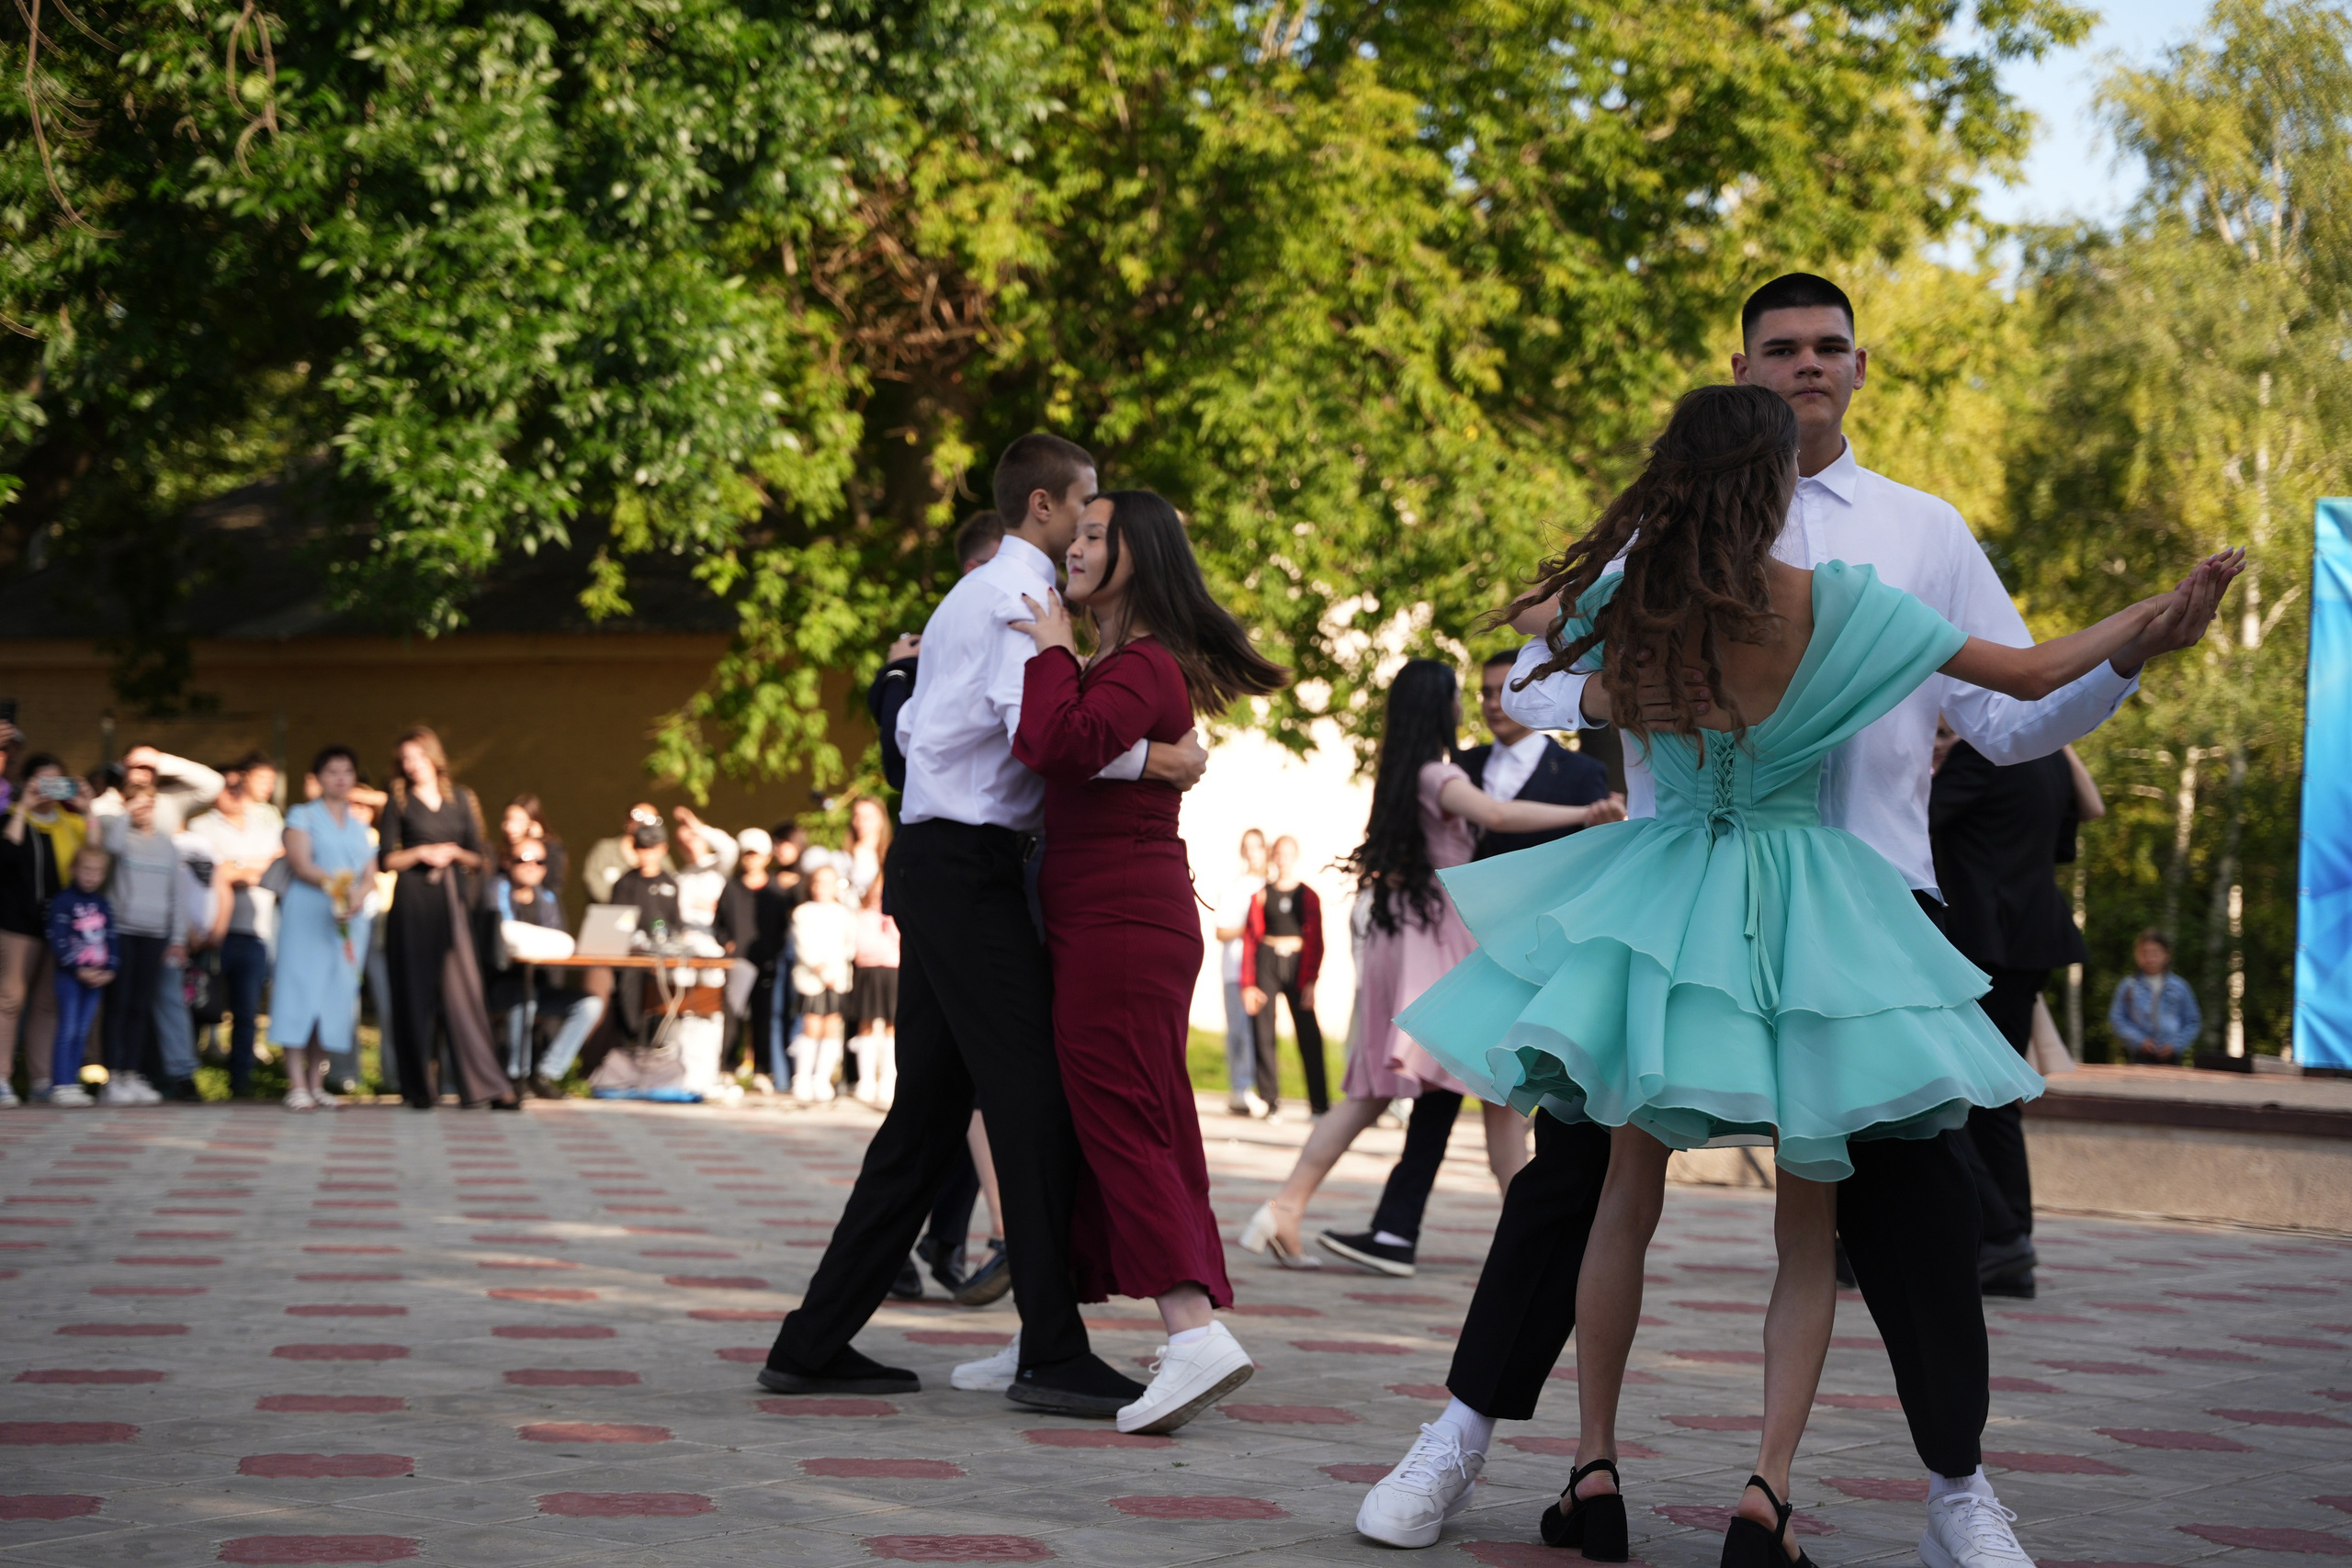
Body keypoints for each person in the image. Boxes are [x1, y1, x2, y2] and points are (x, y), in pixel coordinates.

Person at [1351, 274, 2240, 1567]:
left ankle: (1959, 1490)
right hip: (1663, 925)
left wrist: (2132, 650)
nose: (1809, 364)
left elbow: (2010, 714)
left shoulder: (1919, 531)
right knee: (1573, 1182)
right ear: (1746, 369)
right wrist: (1616, 694)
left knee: (1922, 1216)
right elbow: (1534, 686)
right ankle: (1463, 1433)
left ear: (1859, 368)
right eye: (1785, 349)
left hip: (1861, 919)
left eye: (1830, 347)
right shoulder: (1660, 558)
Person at [759, 431, 1207, 1414]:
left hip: (938, 866)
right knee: (1033, 1100)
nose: (1090, 531)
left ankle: (811, 1342)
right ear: (1041, 510)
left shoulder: (966, 593)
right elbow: (1041, 738)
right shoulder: (1015, 601)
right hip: (968, 873)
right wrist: (1157, 762)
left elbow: (915, 732)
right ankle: (1050, 1350)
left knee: (924, 1120)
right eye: (1083, 512)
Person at [1007, 486, 1290, 1432]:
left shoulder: (1141, 664)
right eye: (1073, 534)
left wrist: (1049, 652)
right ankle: (1057, 1332)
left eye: (1094, 536)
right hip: (1110, 919)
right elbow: (1062, 748)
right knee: (1131, 1117)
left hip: (1123, 922)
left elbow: (1051, 742)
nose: (1073, 550)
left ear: (1141, 554)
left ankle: (1192, 1330)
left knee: (1122, 1119)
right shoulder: (1124, 662)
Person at [1238, 659, 1618, 1274]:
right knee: (1483, 1088)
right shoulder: (1442, 772)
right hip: (1440, 942)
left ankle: (1289, 1206)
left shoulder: (1404, 772)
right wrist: (1586, 814)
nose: (1472, 708)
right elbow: (1496, 817)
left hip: (1417, 937)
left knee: (1422, 1092)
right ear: (1438, 709)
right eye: (1461, 699)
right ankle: (1531, 1242)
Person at [1930, 722, 2105, 1297]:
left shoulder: (1981, 756)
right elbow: (2063, 839)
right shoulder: (2048, 757)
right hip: (2031, 939)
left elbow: (1911, 829)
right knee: (1997, 1100)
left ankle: (2003, 1235)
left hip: (1986, 943)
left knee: (1951, 1092)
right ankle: (2013, 1248)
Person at [379, 727, 514, 1111]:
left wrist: (453, 852)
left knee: (464, 992)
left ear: (434, 757)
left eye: (418, 757)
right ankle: (419, 1087)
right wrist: (421, 853)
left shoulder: (462, 799)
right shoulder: (398, 800)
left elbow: (481, 857)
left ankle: (487, 1086)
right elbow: (386, 859)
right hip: (412, 903)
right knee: (413, 993)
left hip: (452, 901)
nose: (412, 765)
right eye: (405, 759)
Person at [268, 746, 377, 1111]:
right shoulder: (303, 815)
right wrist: (338, 887)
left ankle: (316, 1082)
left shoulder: (361, 827)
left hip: (347, 919)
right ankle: (295, 1082)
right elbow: (301, 864)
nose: (341, 778)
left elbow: (369, 874)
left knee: (334, 996)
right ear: (318, 778)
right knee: (299, 991)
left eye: (347, 771)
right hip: (309, 913)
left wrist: (356, 897)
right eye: (332, 771)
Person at [188, 750, 285, 1097]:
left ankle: (240, 1081)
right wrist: (245, 870)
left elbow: (276, 868)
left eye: (237, 785)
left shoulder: (268, 824)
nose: (233, 792)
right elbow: (215, 872)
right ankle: (189, 1077)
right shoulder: (200, 826)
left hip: (255, 932)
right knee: (200, 1005)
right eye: (226, 786)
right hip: (212, 933)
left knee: (246, 1011)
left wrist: (235, 867)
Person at [1462, 649, 1615, 858]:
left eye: (1506, 692)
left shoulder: (1582, 772)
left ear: (1528, 695)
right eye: (1487, 694)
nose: (1493, 705)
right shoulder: (1463, 763)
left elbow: (1596, 851)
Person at [1, 752, 88, 1105]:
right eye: (43, 782)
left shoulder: (71, 822)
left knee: (47, 1003)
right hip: (15, 923)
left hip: (58, 925)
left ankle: (42, 1078)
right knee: (9, 999)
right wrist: (24, 806)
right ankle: (2, 1078)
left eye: (58, 782)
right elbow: (5, 856)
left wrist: (86, 808)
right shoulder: (10, 817)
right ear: (27, 782)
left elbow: (96, 858)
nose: (50, 790)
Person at [490, 838, 604, 1095]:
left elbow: (559, 943)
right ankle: (516, 1076)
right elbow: (503, 938)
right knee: (524, 999)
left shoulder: (548, 899)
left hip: (540, 987)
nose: (531, 866)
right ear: (508, 863)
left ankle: (546, 1074)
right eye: (523, 860)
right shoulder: (497, 890)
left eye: (538, 861)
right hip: (501, 987)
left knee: (589, 1004)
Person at [97, 784, 183, 1104]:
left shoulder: (167, 845)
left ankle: (131, 1074)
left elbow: (178, 894)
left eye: (150, 804)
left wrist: (177, 937)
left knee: (140, 1006)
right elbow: (113, 845)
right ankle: (112, 1078)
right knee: (117, 1005)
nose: (145, 810)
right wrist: (126, 814)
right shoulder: (120, 835)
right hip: (122, 930)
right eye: (138, 804)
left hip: (155, 934)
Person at [1241, 834, 1327, 1116]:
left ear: (1295, 856)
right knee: (1263, 1031)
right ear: (1273, 857)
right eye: (1278, 854)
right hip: (1267, 962)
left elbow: (1316, 941)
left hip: (1298, 965)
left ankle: (1319, 1105)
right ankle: (1270, 1101)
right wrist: (1248, 984)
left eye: (1288, 854)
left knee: (1309, 1034)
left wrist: (1312, 981)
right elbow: (1251, 939)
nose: (1283, 859)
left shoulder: (1307, 895)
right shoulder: (1262, 895)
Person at [716, 827, 788, 1089]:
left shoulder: (776, 892)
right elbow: (719, 924)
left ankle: (762, 1071)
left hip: (766, 963)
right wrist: (726, 943)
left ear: (767, 857)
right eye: (747, 854)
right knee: (732, 1015)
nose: (752, 860)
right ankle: (727, 1067)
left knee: (763, 1016)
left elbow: (783, 927)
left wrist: (774, 951)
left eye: (757, 855)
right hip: (737, 962)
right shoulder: (731, 888)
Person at [43, 845, 117, 1107]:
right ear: (73, 869)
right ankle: (61, 1084)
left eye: (98, 871)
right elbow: (58, 940)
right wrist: (77, 969)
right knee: (68, 1028)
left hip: (97, 977)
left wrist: (111, 969)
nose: (91, 876)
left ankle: (72, 1083)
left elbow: (111, 938)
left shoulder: (102, 903)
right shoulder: (63, 901)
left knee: (83, 1030)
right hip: (71, 976)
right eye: (86, 869)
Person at [1212, 829, 1272, 1117]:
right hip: (1235, 969)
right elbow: (1221, 931)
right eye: (1247, 847)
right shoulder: (1235, 888)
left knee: (1262, 1034)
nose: (1252, 853)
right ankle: (1241, 1089)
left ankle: (1265, 1091)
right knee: (1239, 1032)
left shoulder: (1272, 886)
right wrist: (1251, 922)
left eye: (1257, 847)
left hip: (1265, 971)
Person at [788, 863, 855, 1100]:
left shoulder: (844, 913)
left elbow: (849, 944)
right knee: (812, 1026)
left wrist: (835, 971)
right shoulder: (803, 912)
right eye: (817, 882)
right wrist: (821, 969)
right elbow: (803, 945)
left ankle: (822, 1079)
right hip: (812, 978)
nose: (821, 887)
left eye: (827, 882)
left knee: (831, 1028)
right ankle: (802, 1077)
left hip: (837, 978)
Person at [848, 874, 900, 1107]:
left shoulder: (898, 917)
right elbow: (864, 948)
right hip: (870, 973)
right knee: (867, 1023)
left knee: (892, 1026)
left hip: (894, 972)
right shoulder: (861, 917)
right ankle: (866, 1081)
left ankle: (888, 1081)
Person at [2109, 931, 2200, 1065]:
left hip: (2172, 1057)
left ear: (2166, 955)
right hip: (2139, 1056)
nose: (2150, 959)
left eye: (2155, 953)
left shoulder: (2179, 986)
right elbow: (2117, 1018)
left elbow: (2193, 1021)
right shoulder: (2129, 986)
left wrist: (2175, 1045)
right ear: (2137, 955)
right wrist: (2139, 1040)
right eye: (2144, 953)